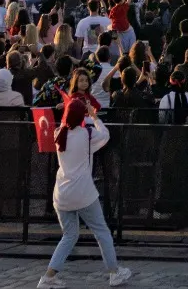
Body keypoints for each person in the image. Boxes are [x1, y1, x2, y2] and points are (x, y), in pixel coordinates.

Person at [38, 99, 131, 288]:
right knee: (102, 231)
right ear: (83, 116)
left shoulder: (59, 133)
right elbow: (105, 135)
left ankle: (48, 276)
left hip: (62, 193)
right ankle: (114, 272)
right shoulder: (87, 135)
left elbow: (67, 124)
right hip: (83, 193)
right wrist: (94, 115)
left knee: (69, 235)